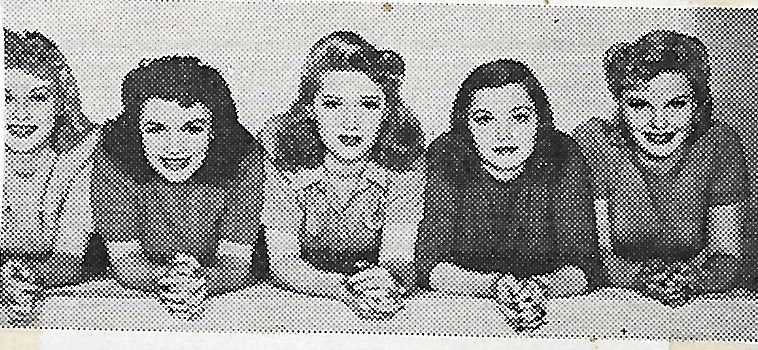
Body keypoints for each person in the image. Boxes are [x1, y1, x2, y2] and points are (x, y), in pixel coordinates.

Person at [415, 59, 604, 331]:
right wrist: (492, 286)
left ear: (540, 122)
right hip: (469, 318)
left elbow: (586, 267)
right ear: (465, 128)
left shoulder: (564, 155)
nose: (504, 133)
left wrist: (543, 288)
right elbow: (429, 267)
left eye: (519, 116)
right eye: (484, 119)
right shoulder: (446, 156)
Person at [574, 30, 750, 306]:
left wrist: (690, 282)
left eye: (676, 104)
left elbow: (727, 255)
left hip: (698, 304)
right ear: (620, 105)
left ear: (697, 105)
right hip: (617, 301)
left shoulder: (719, 144)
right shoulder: (595, 142)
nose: (659, 122)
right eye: (639, 105)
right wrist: (644, 279)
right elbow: (595, 256)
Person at [261, 31, 426, 320]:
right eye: (333, 104)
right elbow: (283, 263)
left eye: (369, 104)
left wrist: (389, 281)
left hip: (374, 302)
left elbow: (398, 257)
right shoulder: (282, 160)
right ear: (310, 109)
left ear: (388, 112)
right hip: (301, 307)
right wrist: (343, 289)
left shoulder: (406, 163)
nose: (351, 122)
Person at [92, 56, 266, 319]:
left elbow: (237, 262)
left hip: (225, 302)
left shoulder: (242, 156)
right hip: (139, 303)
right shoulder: (114, 154)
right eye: (156, 129)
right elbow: (124, 260)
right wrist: (167, 281)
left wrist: (202, 283)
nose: (174, 147)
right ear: (136, 131)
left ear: (214, 131)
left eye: (192, 129)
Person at [2, 28, 101, 325]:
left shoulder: (78, 161)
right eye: (6, 96)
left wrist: (27, 278)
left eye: (38, 97)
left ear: (61, 104)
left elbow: (70, 259)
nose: (20, 112)